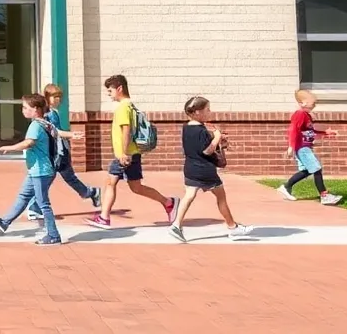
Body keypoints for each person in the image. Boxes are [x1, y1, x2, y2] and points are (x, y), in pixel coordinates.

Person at [87, 74, 178, 229]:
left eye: (110, 91)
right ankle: (169, 203)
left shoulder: (123, 108)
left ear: (120, 88)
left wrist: (122, 153)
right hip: (133, 152)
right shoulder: (131, 106)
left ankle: (104, 218)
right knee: (136, 187)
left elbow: (126, 131)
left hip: (125, 154)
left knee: (110, 182)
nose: (109, 95)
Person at [168, 96, 252, 242]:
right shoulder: (201, 130)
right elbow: (207, 150)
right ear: (197, 112)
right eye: (207, 109)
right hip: (205, 170)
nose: (210, 112)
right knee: (221, 197)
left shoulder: (186, 127)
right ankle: (233, 228)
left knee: (189, 196)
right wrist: (217, 137)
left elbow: (196, 143)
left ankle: (176, 225)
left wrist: (214, 137)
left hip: (190, 169)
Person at [0, 93, 64, 245]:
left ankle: (53, 235)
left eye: (25, 108)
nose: (23, 110)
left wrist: (9, 147)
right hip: (38, 170)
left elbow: (28, 143)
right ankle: (5, 222)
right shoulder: (46, 123)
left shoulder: (35, 125)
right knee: (24, 196)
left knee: (43, 203)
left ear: (35, 109)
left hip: (41, 171)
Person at [24, 83, 100, 222]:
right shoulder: (48, 114)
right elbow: (54, 132)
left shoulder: (53, 113)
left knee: (59, 179)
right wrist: (71, 135)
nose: (58, 99)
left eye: (59, 97)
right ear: (47, 97)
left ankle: (90, 193)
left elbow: (56, 133)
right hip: (54, 153)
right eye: (54, 97)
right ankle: (90, 193)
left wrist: (70, 136)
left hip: (59, 153)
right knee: (48, 179)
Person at [279, 90, 342, 205]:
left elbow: (310, 131)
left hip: (305, 147)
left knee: (307, 170)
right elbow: (293, 130)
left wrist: (326, 133)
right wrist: (291, 147)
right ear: (302, 103)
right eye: (312, 102)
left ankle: (286, 186)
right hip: (302, 148)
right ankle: (324, 195)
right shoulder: (299, 114)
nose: (314, 105)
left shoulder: (306, 116)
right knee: (317, 168)